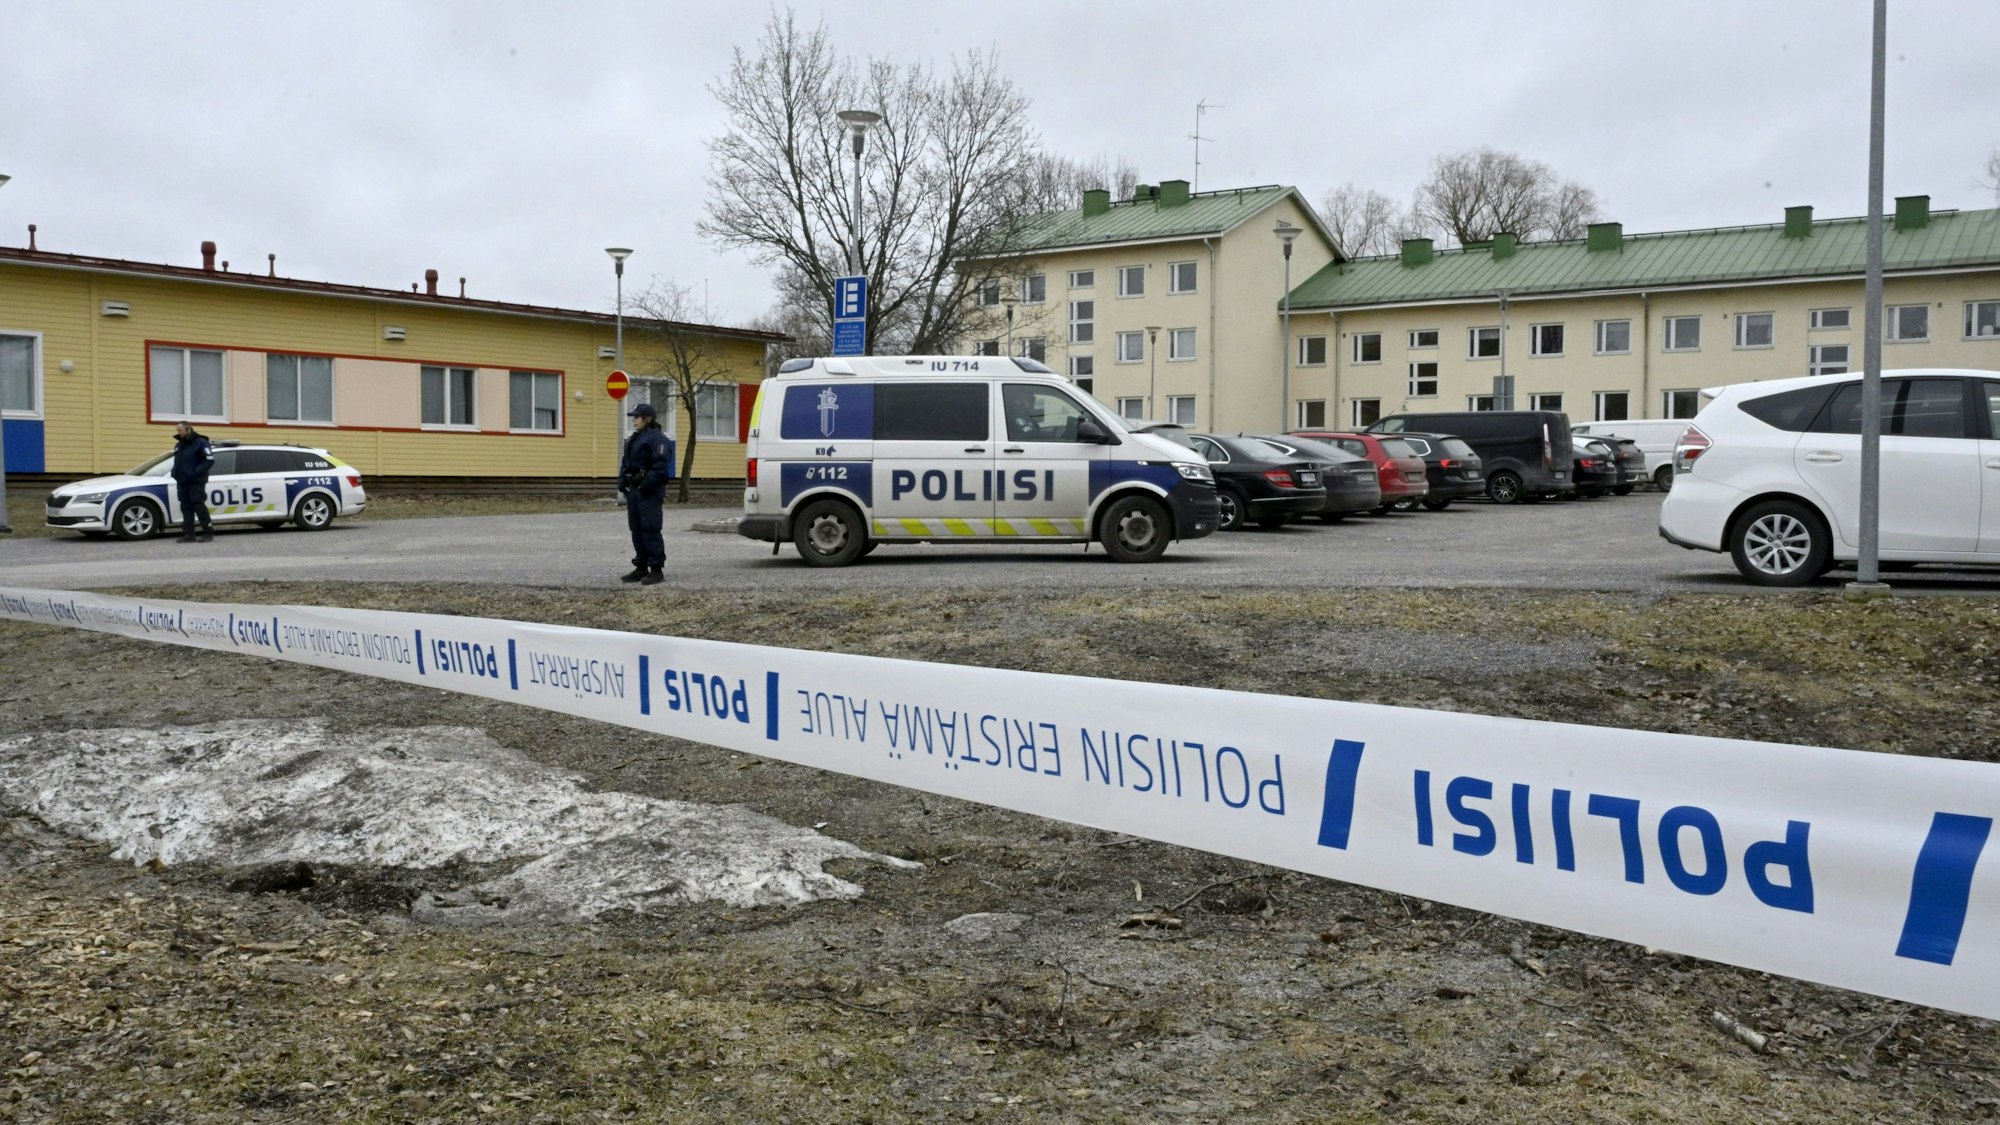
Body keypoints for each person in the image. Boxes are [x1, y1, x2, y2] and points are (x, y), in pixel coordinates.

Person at [618, 401, 671, 585]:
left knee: (650, 528)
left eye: (637, 417)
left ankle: (656, 569)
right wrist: (622, 481)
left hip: (649, 491)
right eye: (633, 417)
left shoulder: (658, 439)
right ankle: (641, 566)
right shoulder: (635, 438)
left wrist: (644, 484)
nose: (634, 421)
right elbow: (626, 462)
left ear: (647, 419)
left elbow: (660, 468)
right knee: (636, 529)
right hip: (635, 490)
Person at [169, 421, 215, 543]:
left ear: (188, 429)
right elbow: (177, 462)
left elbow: (209, 460)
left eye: (180, 430)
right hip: (182, 481)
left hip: (196, 481)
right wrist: (174, 473)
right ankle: (189, 534)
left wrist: (195, 472)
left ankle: (207, 532)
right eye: (177, 430)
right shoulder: (179, 445)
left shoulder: (201, 443)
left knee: (198, 505)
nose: (178, 432)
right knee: (185, 507)